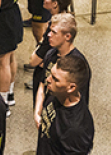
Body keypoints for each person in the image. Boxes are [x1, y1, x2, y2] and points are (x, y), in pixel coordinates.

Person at [32, 13, 91, 148]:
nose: (48, 35)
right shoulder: (50, 54)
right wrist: (37, 112)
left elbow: (79, 101)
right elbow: (42, 85)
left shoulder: (78, 65)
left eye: (53, 32)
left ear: (67, 36)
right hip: (47, 117)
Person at [23, 0, 72, 91]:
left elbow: (33, 61)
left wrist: (39, 44)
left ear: (55, 4)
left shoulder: (54, 28)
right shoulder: (66, 20)